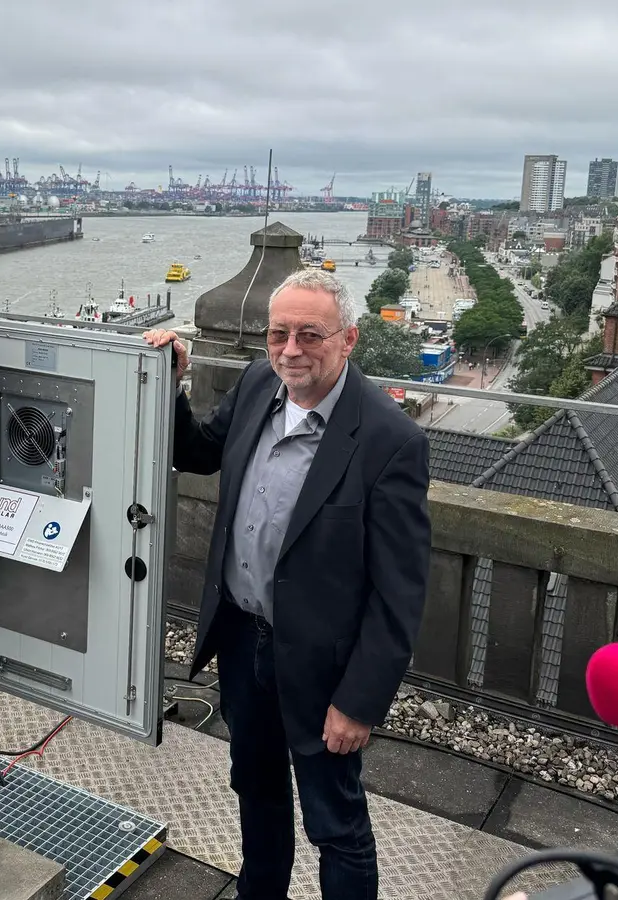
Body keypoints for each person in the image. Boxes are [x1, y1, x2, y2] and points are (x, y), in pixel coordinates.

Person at [144, 268, 430, 899]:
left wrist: (359, 702)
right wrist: (170, 382)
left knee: (335, 822)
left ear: (349, 338)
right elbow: (197, 452)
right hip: (242, 639)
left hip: (322, 664)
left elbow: (399, 593)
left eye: (310, 334)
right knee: (257, 789)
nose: (291, 350)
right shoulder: (256, 384)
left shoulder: (390, 440)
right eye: (279, 334)